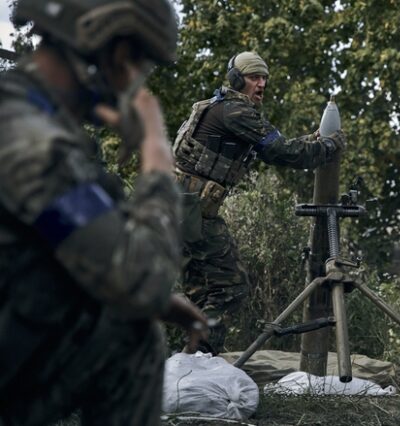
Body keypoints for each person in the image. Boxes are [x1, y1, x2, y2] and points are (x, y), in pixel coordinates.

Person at [0, 1, 209, 424]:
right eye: (142, 63)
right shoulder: (35, 144)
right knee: (129, 335)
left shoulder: (21, 115)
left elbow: (47, 241)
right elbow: (141, 277)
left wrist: (121, 283)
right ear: (117, 56)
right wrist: (155, 154)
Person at [172, 51, 346, 354]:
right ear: (237, 80)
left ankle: (191, 368)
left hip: (176, 206)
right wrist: (329, 146)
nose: (261, 83)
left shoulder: (220, 108)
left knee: (201, 292)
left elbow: (275, 146)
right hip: (191, 209)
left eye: (264, 77)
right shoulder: (237, 113)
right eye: (254, 77)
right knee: (231, 287)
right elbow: (283, 153)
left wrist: (313, 139)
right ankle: (198, 357)